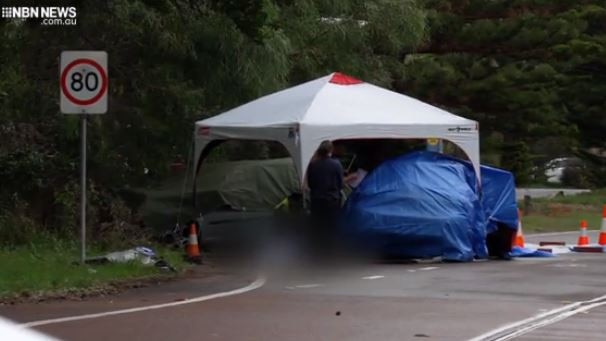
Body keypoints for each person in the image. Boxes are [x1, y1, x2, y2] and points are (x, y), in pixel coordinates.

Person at [306, 140, 344, 254]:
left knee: (318, 226)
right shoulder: (336, 164)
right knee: (331, 226)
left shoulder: (313, 165)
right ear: (330, 150)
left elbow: (311, 183)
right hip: (332, 199)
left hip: (317, 199)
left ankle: (318, 249)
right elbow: (340, 183)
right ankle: (331, 250)